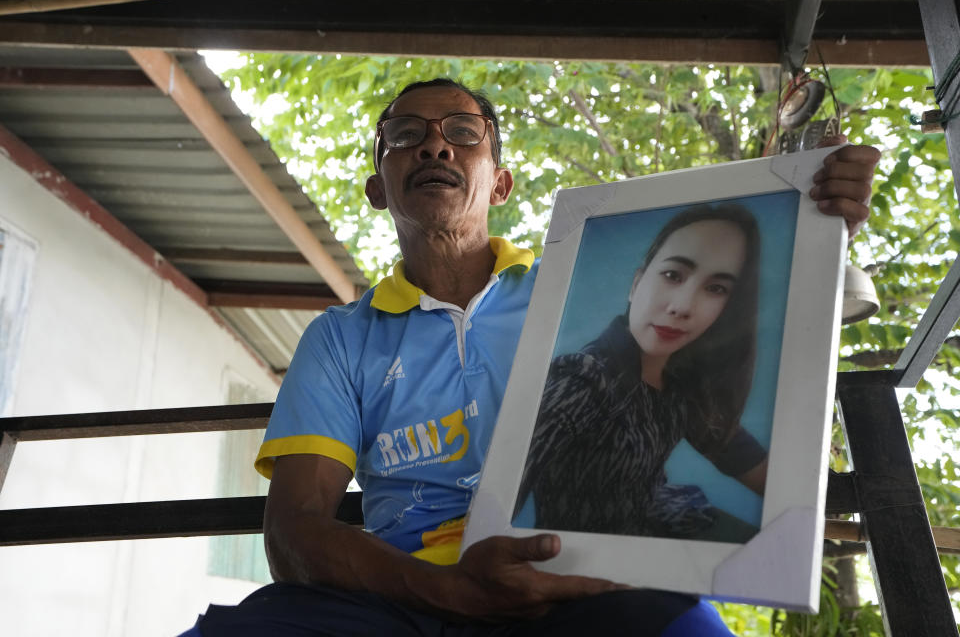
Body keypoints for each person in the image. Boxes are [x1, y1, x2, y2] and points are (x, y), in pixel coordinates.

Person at [187, 78, 881, 636]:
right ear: (378, 187)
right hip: (397, 596)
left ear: (500, 183)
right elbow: (295, 534)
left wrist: (817, 231)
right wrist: (449, 590)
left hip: (576, 584)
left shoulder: (570, 293)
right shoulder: (342, 338)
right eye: (406, 137)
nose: (435, 149)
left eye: (462, 134)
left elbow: (731, 418)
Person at [514, 204, 769, 540]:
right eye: (673, 275)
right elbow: (501, 499)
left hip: (673, 526)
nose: (681, 306)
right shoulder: (582, 379)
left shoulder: (680, 387)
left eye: (716, 288)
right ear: (636, 284)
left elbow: (756, 467)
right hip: (581, 568)